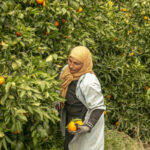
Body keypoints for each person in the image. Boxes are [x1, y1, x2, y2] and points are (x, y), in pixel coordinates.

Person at [59, 46, 106, 150]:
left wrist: (87, 126)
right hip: (72, 121)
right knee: (69, 146)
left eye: (76, 63)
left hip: (86, 121)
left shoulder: (89, 82)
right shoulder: (66, 72)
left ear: (85, 64)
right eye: (70, 61)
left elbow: (98, 107)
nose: (71, 66)